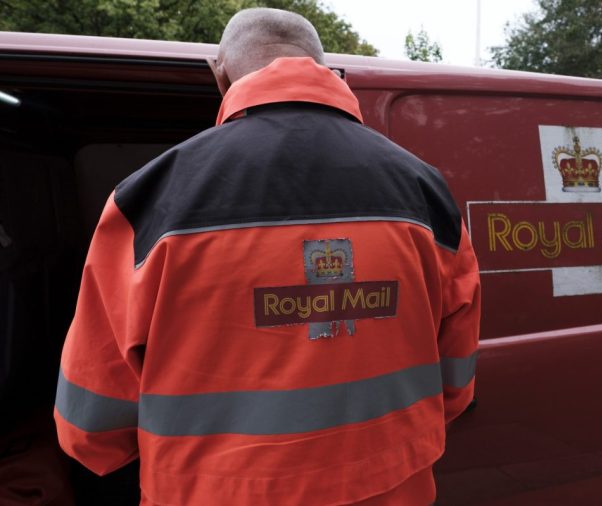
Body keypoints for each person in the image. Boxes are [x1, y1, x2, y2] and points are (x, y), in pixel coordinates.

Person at [54, 8, 480, 505]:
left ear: (219, 74)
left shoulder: (150, 200)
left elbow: (88, 426)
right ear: (323, 68)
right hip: (392, 486)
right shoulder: (427, 192)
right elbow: (455, 384)